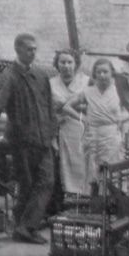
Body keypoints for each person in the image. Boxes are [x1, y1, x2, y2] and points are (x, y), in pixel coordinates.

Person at [0, 33, 55, 244]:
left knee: (46, 181)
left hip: (43, 140)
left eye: (35, 49)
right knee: (28, 185)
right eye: (28, 49)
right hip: (22, 141)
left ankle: (25, 227)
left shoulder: (41, 76)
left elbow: (49, 107)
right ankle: (24, 229)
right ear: (18, 50)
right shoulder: (9, 76)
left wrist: (52, 133)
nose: (33, 52)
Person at [62, 58, 128, 195]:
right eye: (99, 72)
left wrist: (121, 129)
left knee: (112, 172)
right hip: (92, 136)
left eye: (105, 72)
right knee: (93, 174)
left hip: (111, 137)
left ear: (112, 73)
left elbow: (126, 114)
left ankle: (114, 204)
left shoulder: (120, 92)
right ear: (94, 74)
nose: (102, 75)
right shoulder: (88, 91)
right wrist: (83, 118)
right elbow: (67, 107)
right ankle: (93, 205)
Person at [49, 50, 88, 196]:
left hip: (83, 128)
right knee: (65, 166)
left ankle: (86, 197)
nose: (66, 66)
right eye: (62, 62)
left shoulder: (86, 82)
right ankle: (69, 197)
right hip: (62, 129)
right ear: (57, 65)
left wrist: (75, 108)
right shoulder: (51, 84)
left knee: (83, 164)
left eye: (69, 62)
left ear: (75, 63)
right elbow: (48, 109)